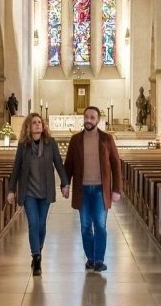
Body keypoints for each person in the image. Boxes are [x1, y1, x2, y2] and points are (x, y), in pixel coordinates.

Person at [7, 113, 69, 276]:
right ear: (28, 126)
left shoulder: (51, 143)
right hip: (29, 192)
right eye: (34, 123)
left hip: (45, 190)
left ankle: (38, 250)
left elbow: (59, 164)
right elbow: (16, 168)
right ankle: (36, 257)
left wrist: (65, 183)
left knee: (41, 225)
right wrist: (11, 189)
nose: (37, 125)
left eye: (39, 122)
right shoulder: (23, 145)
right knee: (33, 224)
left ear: (43, 126)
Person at [63, 106, 123, 272]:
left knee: (100, 225)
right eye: (86, 117)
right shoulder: (75, 140)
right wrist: (65, 184)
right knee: (85, 226)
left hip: (100, 189)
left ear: (98, 120)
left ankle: (99, 260)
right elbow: (68, 164)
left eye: (92, 117)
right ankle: (90, 257)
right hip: (82, 189)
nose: (88, 120)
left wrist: (116, 189)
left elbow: (116, 165)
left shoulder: (107, 139)